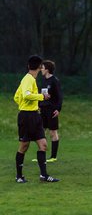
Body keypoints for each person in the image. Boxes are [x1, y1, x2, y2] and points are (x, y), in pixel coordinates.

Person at [14, 55, 60, 183]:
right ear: (40, 67)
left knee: (43, 145)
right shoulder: (28, 79)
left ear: (29, 66)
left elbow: (16, 97)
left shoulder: (29, 79)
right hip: (26, 116)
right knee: (24, 146)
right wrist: (41, 97)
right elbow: (26, 95)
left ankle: (44, 175)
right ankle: (19, 176)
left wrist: (23, 104)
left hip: (34, 115)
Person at [39, 60, 63, 162]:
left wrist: (58, 109)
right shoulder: (43, 80)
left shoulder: (55, 81)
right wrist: (39, 105)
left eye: (42, 68)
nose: (41, 69)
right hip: (43, 109)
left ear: (47, 69)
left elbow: (59, 97)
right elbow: (42, 95)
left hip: (52, 110)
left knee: (53, 132)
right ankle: (41, 156)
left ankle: (53, 157)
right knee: (41, 132)